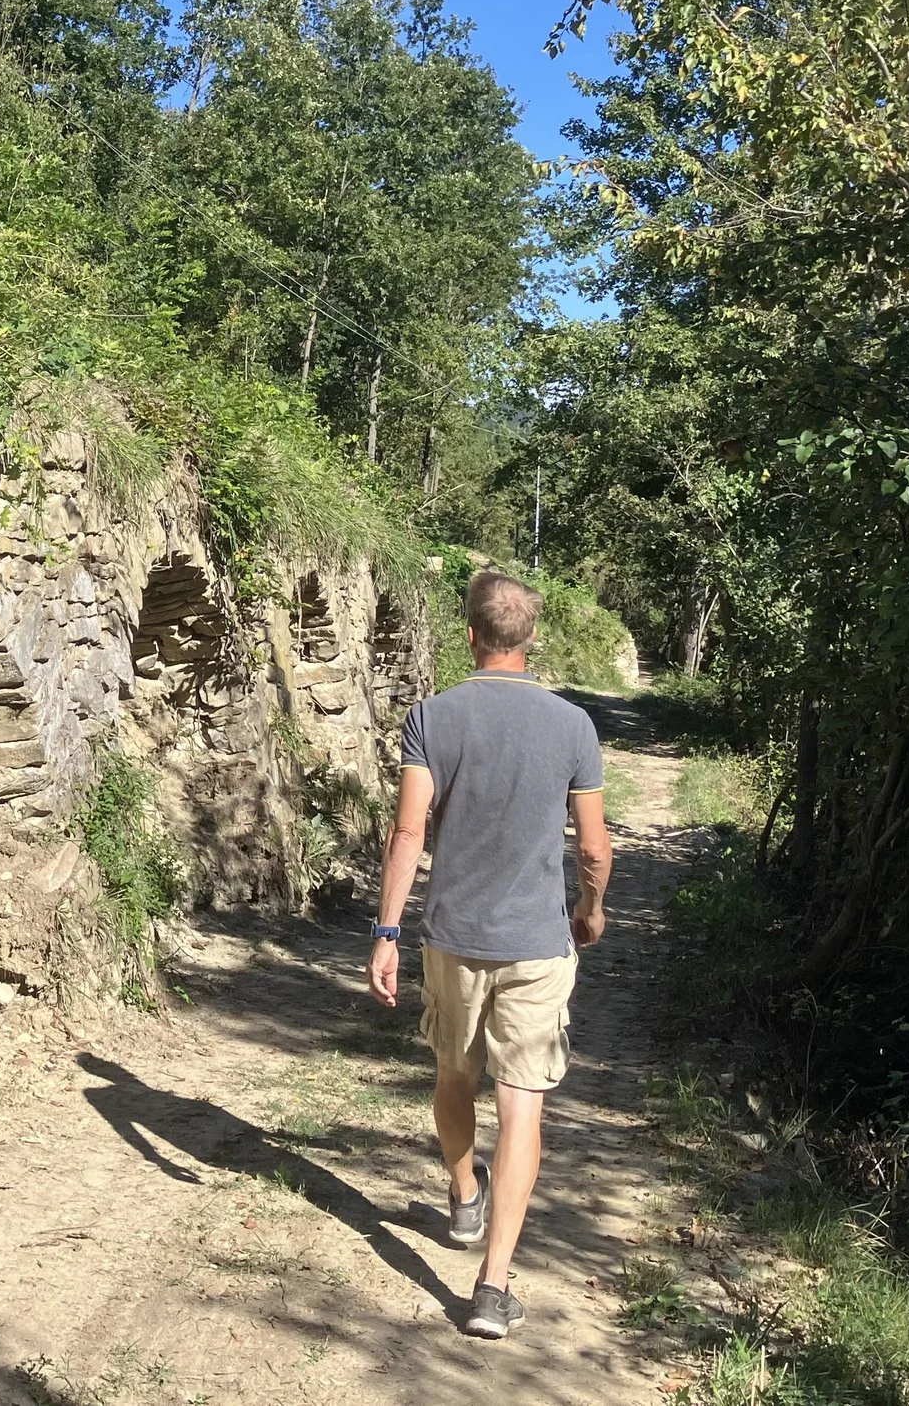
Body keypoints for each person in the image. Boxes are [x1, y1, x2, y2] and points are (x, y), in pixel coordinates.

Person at [367, 567, 612, 1340]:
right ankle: (492, 1285)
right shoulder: (574, 724)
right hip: (538, 944)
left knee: (452, 1073)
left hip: (453, 936)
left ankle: (464, 1191)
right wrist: (591, 908)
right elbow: (596, 847)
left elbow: (409, 831)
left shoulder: (431, 717)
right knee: (522, 1103)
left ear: (469, 635)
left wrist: (387, 929)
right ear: (529, 638)